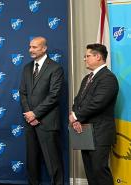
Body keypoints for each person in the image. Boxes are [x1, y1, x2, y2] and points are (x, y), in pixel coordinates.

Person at [69, 44, 118, 185]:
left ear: (98, 57)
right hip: (84, 131)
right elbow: (78, 101)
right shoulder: (87, 78)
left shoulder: (108, 78)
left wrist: (76, 116)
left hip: (100, 133)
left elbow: (98, 103)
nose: (85, 59)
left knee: (99, 171)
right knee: (90, 172)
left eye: (87, 56)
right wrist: (76, 118)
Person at [19, 36, 64, 185]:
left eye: (34, 47)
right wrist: (29, 115)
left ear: (44, 48)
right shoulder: (26, 68)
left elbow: (54, 95)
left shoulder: (55, 68)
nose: (30, 50)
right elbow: (23, 93)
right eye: (30, 47)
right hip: (30, 122)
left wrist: (36, 114)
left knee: (53, 162)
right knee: (32, 162)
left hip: (47, 122)